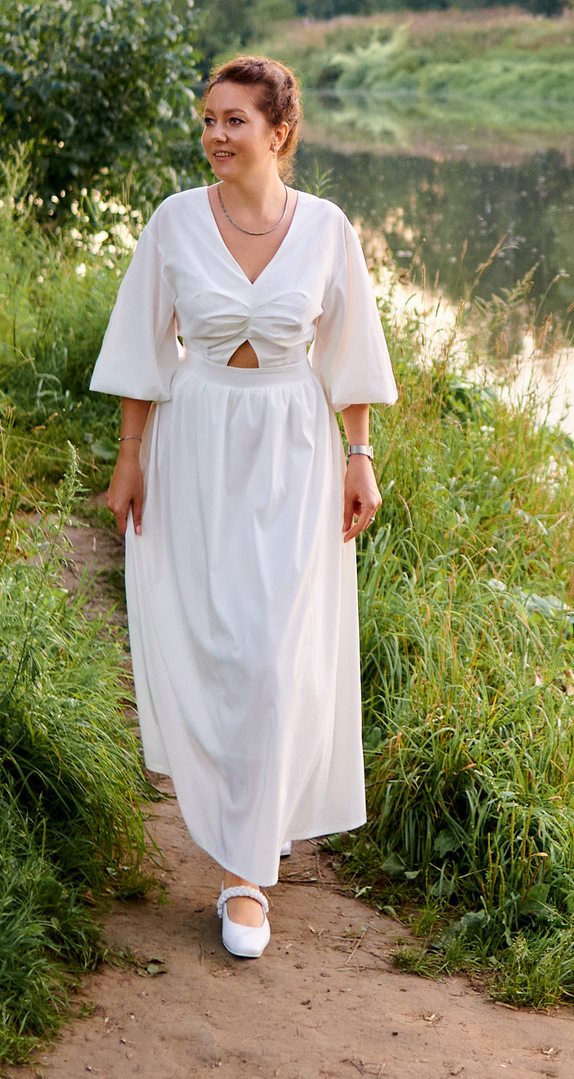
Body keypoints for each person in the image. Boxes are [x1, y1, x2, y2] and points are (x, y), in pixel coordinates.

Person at [90, 54, 396, 960]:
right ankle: (230, 841)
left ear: (280, 131)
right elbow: (142, 348)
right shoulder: (175, 223)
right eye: (209, 119)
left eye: (234, 120)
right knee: (216, 644)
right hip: (195, 444)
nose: (216, 134)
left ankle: (244, 874)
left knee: (271, 653)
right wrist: (130, 457)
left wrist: (361, 457)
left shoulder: (329, 229)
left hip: (295, 452)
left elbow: (351, 352)